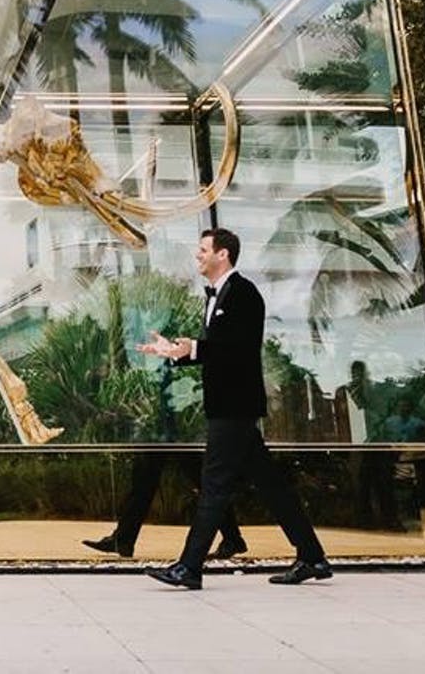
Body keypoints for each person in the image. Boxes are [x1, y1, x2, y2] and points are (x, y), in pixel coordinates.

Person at [140, 228, 332, 590]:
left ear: (222, 254)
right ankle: (313, 556)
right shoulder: (218, 295)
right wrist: (177, 352)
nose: (197, 255)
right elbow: (218, 350)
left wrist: (192, 349)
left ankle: (189, 566)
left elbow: (238, 350)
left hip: (235, 407)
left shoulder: (244, 294)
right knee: (271, 485)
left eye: (202, 249)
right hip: (230, 406)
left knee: (213, 485)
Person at [81, 453, 247, 561]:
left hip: (171, 429)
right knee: (144, 480)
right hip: (167, 428)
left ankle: (123, 539)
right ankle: (123, 539)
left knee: (146, 480)